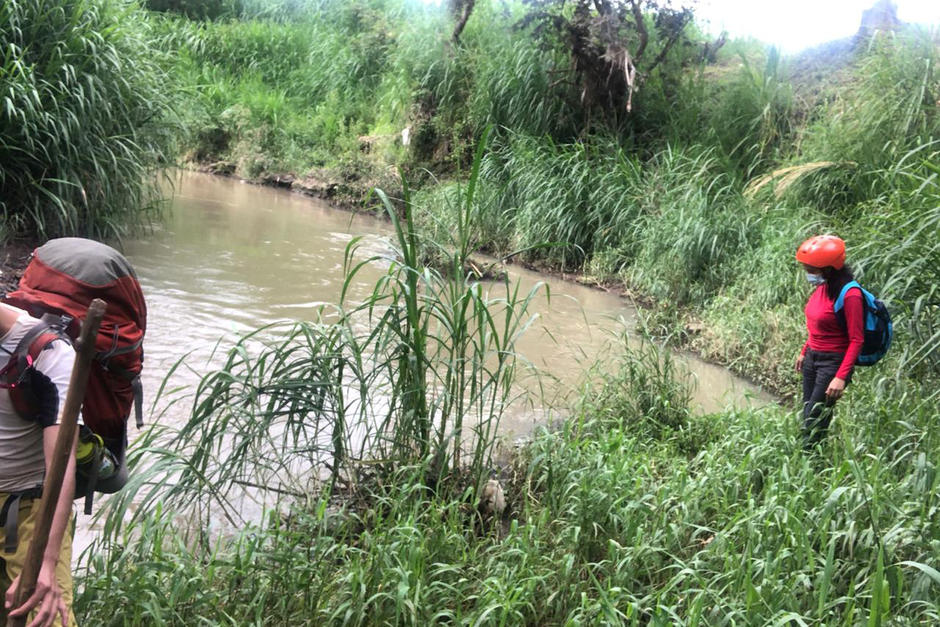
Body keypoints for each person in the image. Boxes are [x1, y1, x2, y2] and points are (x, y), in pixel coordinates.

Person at [0, 302, 78, 627]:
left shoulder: (48, 351)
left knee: (45, 617)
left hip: (30, 513)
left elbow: (62, 465)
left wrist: (46, 561)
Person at [795, 235, 864, 449]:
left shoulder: (850, 294)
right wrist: (804, 351)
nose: (807, 274)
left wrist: (840, 377)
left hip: (832, 363)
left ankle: (808, 461)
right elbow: (817, 326)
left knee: (813, 420)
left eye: (811, 270)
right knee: (809, 414)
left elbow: (856, 339)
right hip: (812, 358)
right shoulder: (823, 288)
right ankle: (816, 458)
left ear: (827, 269)